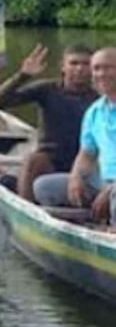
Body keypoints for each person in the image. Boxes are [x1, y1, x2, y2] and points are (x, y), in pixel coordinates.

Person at [0, 44, 97, 204]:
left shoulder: (100, 97)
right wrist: (22, 75)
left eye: (85, 64)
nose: (79, 69)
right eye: (74, 63)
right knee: (33, 160)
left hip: (86, 162)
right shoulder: (47, 89)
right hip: (50, 161)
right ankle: (27, 208)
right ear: (63, 66)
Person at [65, 47, 116, 222]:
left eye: (108, 68)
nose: (101, 74)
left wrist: (112, 189)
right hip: (103, 180)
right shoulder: (95, 111)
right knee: (45, 188)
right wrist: (76, 177)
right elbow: (87, 153)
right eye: (96, 69)